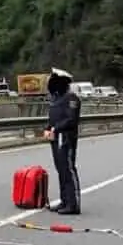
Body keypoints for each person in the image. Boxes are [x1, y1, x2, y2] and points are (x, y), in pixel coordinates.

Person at [43, 67, 82, 214]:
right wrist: (48, 128)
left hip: (66, 138)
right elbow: (53, 118)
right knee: (61, 170)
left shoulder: (72, 98)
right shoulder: (56, 98)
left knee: (68, 169)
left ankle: (73, 204)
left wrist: (56, 128)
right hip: (55, 138)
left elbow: (71, 120)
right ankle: (64, 200)